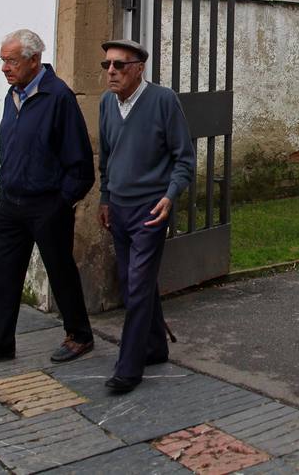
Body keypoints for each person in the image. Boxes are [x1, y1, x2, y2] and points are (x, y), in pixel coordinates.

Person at [0, 29, 96, 367]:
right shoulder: (13, 94)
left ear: (34, 60)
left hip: (46, 204)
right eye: (3, 60)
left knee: (60, 270)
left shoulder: (59, 97)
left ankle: (80, 335)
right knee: (4, 273)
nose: (4, 68)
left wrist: (61, 203)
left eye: (12, 61)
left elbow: (80, 164)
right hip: (10, 201)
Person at [97, 38, 194, 394]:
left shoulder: (163, 100)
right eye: (107, 65)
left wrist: (170, 196)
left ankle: (129, 366)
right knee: (133, 281)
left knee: (136, 287)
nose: (111, 71)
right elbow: (106, 156)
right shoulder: (107, 103)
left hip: (150, 210)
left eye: (119, 65)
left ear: (138, 69)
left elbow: (184, 158)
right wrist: (105, 197)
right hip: (118, 209)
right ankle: (154, 347)